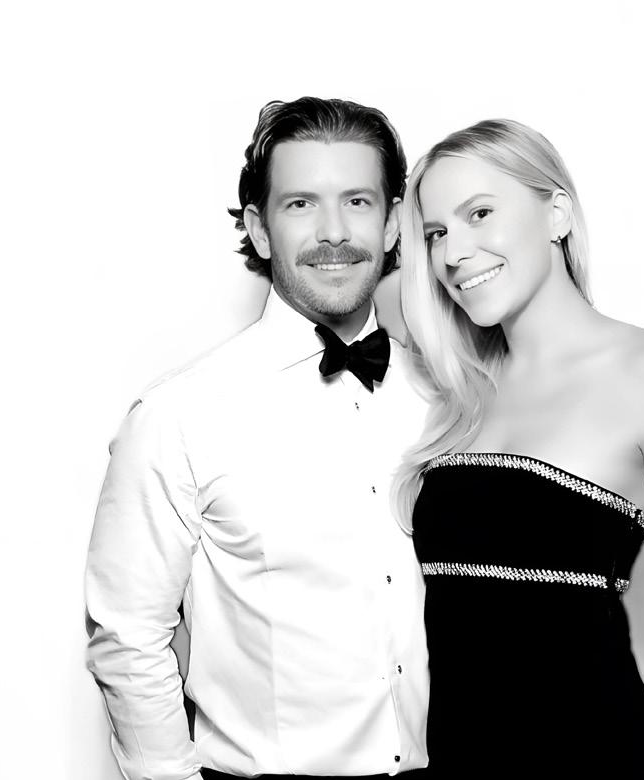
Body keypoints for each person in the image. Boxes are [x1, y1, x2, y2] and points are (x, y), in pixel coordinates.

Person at [85, 97, 430, 780]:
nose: (334, 232)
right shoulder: (179, 414)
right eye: (301, 204)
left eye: (357, 202)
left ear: (393, 223)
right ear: (259, 229)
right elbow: (127, 636)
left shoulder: (448, 398)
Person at [393, 119, 644, 779]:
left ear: (557, 214)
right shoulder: (455, 395)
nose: (454, 253)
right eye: (435, 234)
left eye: (479, 214)